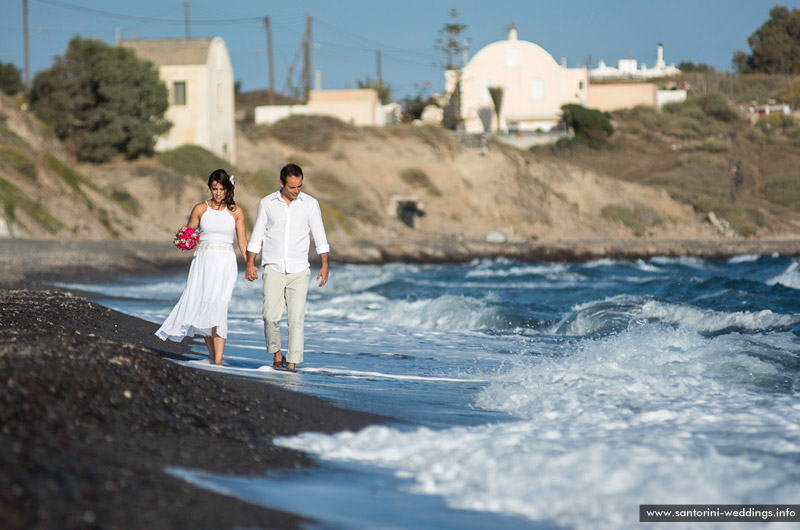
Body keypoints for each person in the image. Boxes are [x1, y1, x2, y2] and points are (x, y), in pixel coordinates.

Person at [156, 169, 249, 365]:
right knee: (204, 305)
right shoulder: (200, 208)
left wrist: (250, 264)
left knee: (219, 305)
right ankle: (212, 355)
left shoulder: (236, 211)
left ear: (228, 189)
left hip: (225, 261)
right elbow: (189, 234)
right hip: (203, 261)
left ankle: (219, 360)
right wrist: (183, 241)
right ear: (209, 188)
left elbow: (242, 240)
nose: (218, 193)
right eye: (214, 188)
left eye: (222, 189)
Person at [245, 163, 329, 373]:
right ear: (281, 183)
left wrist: (325, 264)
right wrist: (250, 263)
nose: (297, 191)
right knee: (270, 316)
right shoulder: (267, 203)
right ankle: (277, 353)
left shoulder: (310, 204)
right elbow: (257, 235)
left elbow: (320, 236)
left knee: (296, 319)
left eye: (299, 186)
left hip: (299, 270)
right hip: (273, 267)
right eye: (292, 187)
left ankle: (291, 363)